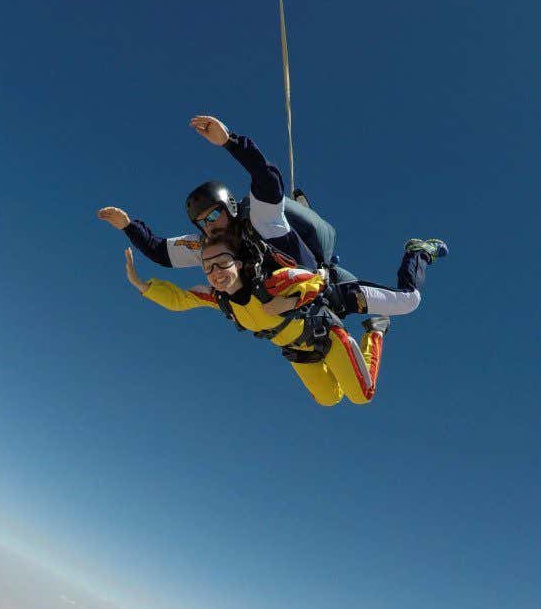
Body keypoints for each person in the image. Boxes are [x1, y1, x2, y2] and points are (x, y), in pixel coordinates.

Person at [98, 115, 447, 319]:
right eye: (201, 222)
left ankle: (418, 252)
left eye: (214, 214)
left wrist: (230, 142)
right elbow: (161, 252)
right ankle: (303, 210)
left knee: (408, 302)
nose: (210, 226)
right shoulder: (207, 248)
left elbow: (266, 180)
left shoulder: (258, 221)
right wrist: (129, 226)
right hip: (298, 304)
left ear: (230, 207)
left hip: (322, 282)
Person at [122, 233, 389, 408]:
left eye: (222, 262)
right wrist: (142, 285)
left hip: (326, 336)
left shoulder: (271, 283)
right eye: (208, 267)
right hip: (299, 353)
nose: (215, 273)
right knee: (329, 398)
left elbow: (319, 278)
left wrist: (290, 301)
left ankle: (375, 331)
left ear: (238, 263)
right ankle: (347, 367)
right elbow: (181, 299)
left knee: (362, 395)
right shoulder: (222, 300)